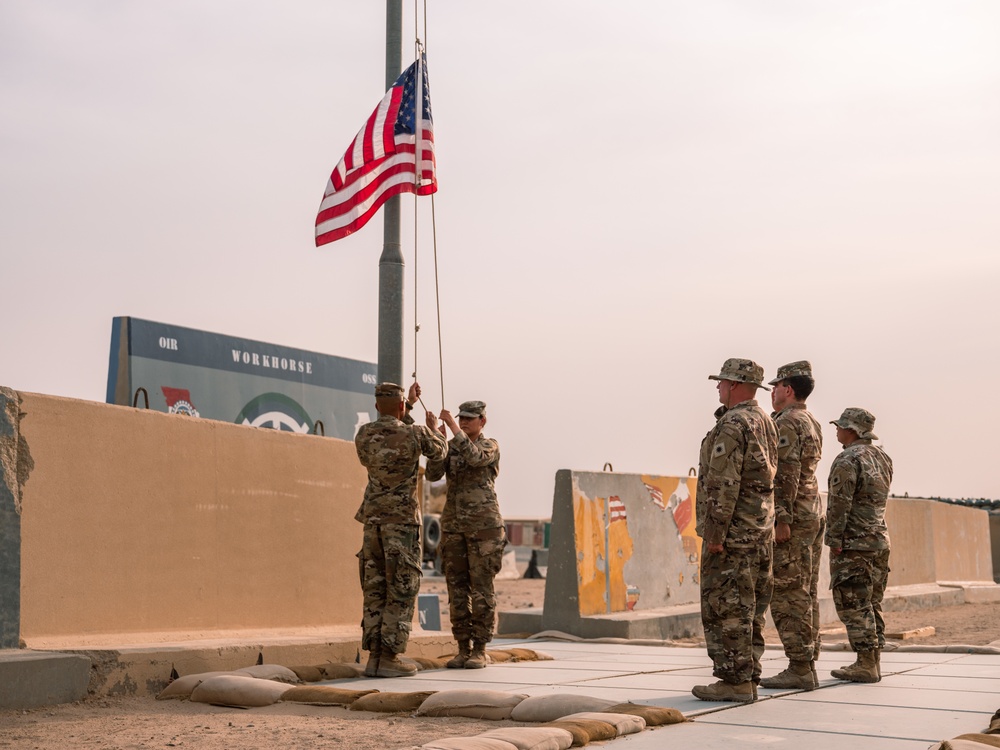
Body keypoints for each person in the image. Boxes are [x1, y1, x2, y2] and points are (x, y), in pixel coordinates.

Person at [693, 358, 778, 702]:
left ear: (736, 385)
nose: (718, 387)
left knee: (726, 607)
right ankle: (749, 674)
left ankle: (734, 680)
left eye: (722, 382)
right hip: (760, 531)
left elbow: (722, 483)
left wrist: (715, 534)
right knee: (751, 607)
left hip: (733, 534)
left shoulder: (733, 424)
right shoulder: (766, 422)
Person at [355, 382, 448, 678]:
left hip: (372, 523)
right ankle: (391, 658)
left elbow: (385, 441)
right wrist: (433, 427)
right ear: (399, 406)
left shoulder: (364, 434)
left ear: (375, 406)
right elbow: (440, 451)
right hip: (402, 523)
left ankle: (374, 659)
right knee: (402, 588)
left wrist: (406, 406)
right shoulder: (415, 432)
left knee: (375, 589)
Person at [759, 361, 824, 691]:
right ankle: (807, 663)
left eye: (775, 386)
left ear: (788, 389)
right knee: (806, 591)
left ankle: (799, 666)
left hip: (793, 516)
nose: (771, 393)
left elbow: (785, 474)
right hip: (812, 510)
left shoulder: (786, 422)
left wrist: (781, 519)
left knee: (787, 593)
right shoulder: (811, 420)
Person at [425, 400, 503, 670]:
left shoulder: (489, 445)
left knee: (482, 591)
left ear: (483, 421)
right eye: (462, 417)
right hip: (454, 526)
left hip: (484, 528)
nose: (466, 421)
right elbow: (433, 475)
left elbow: (475, 457)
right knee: (457, 591)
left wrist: (453, 428)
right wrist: (438, 438)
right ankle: (462, 649)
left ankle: (480, 649)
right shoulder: (453, 445)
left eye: (471, 418)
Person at [825, 407, 893, 683]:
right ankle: (873, 661)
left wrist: (834, 540)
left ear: (851, 430)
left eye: (840, 426)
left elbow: (839, 505)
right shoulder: (882, 457)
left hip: (854, 543)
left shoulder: (847, 459)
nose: (837, 430)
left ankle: (865, 663)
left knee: (853, 603)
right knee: (872, 602)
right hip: (879, 540)